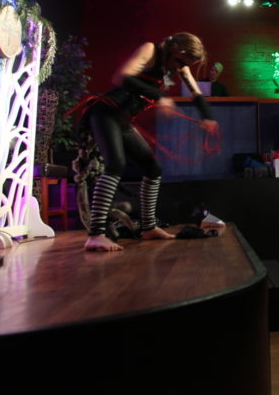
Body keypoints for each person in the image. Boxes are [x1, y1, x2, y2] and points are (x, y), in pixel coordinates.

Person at [75, 32, 217, 252]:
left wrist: (207, 117)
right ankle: (95, 235)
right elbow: (122, 77)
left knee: (153, 168)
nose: (181, 67)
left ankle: (148, 228)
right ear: (173, 49)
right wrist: (160, 97)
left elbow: (196, 93)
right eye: (180, 61)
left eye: (186, 64)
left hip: (124, 121)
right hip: (106, 112)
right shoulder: (151, 50)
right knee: (116, 165)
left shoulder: (179, 67)